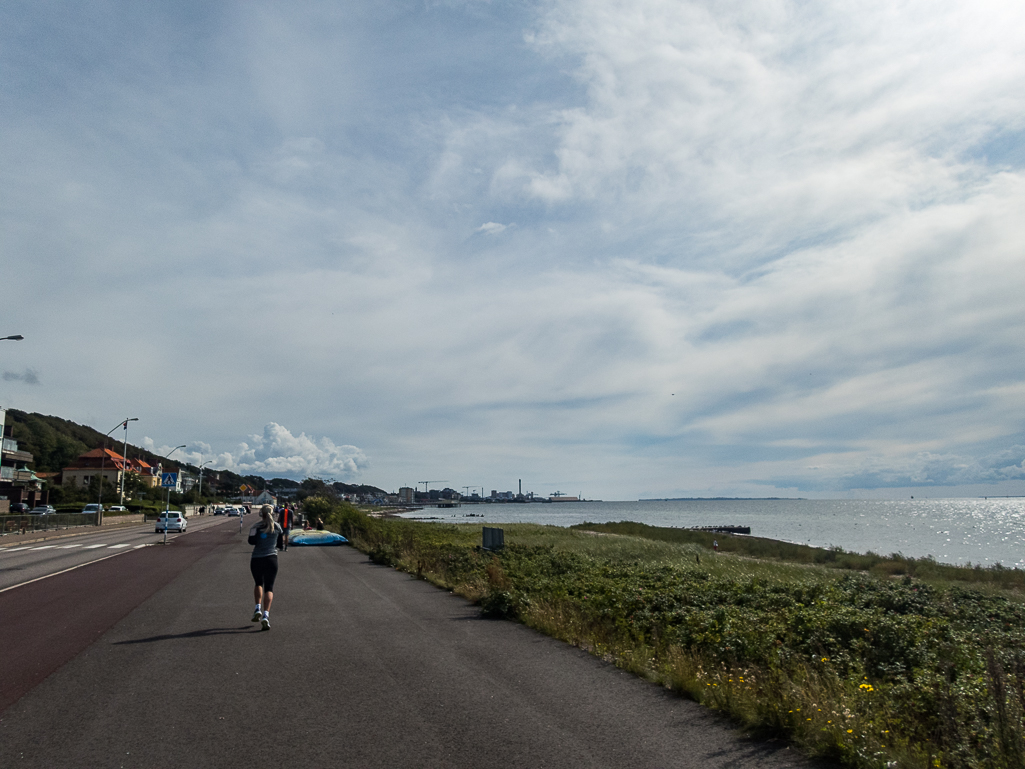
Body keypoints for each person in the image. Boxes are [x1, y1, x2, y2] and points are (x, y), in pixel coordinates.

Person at [249, 505, 282, 631]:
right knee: (269, 587)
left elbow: (251, 541)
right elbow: (279, 544)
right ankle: (266, 616)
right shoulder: (277, 527)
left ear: (261, 513)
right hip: (271, 559)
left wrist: (260, 539)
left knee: (258, 583)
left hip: (257, 558)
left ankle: (257, 607)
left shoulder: (255, 526)